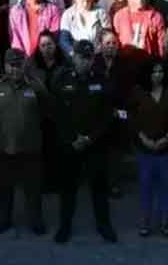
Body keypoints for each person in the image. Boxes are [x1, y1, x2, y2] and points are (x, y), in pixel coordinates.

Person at [49, 40, 117, 243]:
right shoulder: (62, 79)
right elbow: (56, 114)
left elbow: (107, 115)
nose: (85, 62)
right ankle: (65, 226)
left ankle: (104, 225)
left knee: (99, 187)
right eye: (81, 57)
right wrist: (72, 138)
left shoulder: (101, 79)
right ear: (74, 57)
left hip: (94, 144)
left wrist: (90, 138)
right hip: (70, 144)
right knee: (68, 188)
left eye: (88, 58)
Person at [0, 48, 49, 236]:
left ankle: (35, 221)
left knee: (33, 189)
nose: (15, 69)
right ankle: (2, 220)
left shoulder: (36, 86)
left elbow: (46, 111)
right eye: (11, 65)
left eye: (18, 65)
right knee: (4, 188)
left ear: (24, 65)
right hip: (5, 147)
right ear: (5, 66)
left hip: (31, 148)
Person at [129, 59, 168, 237]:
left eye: (160, 71)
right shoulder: (137, 92)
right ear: (148, 74)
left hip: (166, 148)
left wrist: (167, 138)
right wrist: (143, 138)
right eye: (154, 72)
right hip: (144, 148)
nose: (158, 75)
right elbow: (132, 119)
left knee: (166, 186)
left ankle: (166, 221)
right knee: (146, 185)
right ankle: (145, 221)